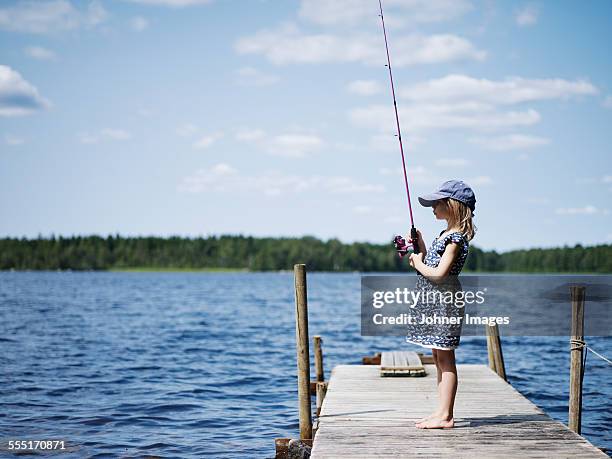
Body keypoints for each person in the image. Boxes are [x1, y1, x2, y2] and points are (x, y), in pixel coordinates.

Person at [405, 179, 476, 429]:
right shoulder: (445, 235)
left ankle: (446, 416)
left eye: (437, 202)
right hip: (433, 304)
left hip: (444, 304)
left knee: (446, 359)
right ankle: (440, 412)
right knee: (437, 356)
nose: (432, 206)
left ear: (452, 205)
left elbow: (438, 274)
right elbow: (431, 265)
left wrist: (416, 263)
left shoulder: (456, 239)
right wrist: (421, 246)